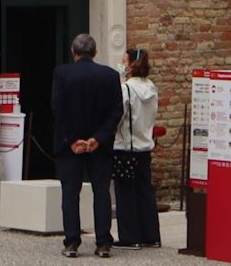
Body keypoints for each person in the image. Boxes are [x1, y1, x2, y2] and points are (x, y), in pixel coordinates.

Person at [52, 32, 124, 258]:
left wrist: (72, 139)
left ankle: (72, 242)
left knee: (70, 193)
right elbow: (116, 112)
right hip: (99, 146)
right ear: (95, 53)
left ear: (73, 52)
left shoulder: (61, 74)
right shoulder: (110, 76)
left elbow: (58, 109)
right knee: (101, 191)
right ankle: (103, 243)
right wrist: (98, 138)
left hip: (69, 146)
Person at [113, 46, 161, 248]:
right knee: (145, 191)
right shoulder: (152, 88)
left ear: (130, 66)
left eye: (124, 62)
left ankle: (130, 237)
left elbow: (119, 116)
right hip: (144, 146)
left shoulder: (127, 89)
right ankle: (151, 235)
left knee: (125, 193)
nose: (122, 65)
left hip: (126, 147)